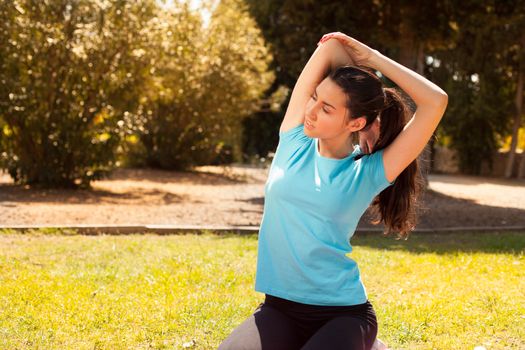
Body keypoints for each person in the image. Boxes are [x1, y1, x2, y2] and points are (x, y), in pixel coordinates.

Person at [218, 32, 448, 350]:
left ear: (355, 123)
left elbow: (436, 101)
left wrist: (375, 58)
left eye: (327, 109)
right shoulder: (294, 140)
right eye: (315, 97)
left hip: (343, 315)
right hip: (280, 307)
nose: (311, 110)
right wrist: (362, 81)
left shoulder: (367, 171)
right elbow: (333, 47)